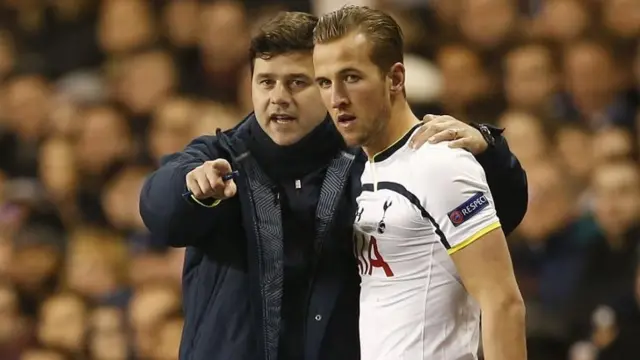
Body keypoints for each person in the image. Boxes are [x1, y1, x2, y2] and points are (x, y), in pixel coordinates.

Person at [139, 11, 528, 360]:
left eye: (298, 83)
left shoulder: (371, 162)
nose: (278, 98)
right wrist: (191, 192)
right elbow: (161, 212)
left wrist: (487, 150)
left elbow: (494, 220)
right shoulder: (219, 159)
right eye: (266, 82)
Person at [312, 6, 526, 360]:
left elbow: (503, 302)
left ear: (395, 78)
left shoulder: (439, 163)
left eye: (351, 77)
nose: (336, 98)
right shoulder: (366, 169)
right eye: (324, 82)